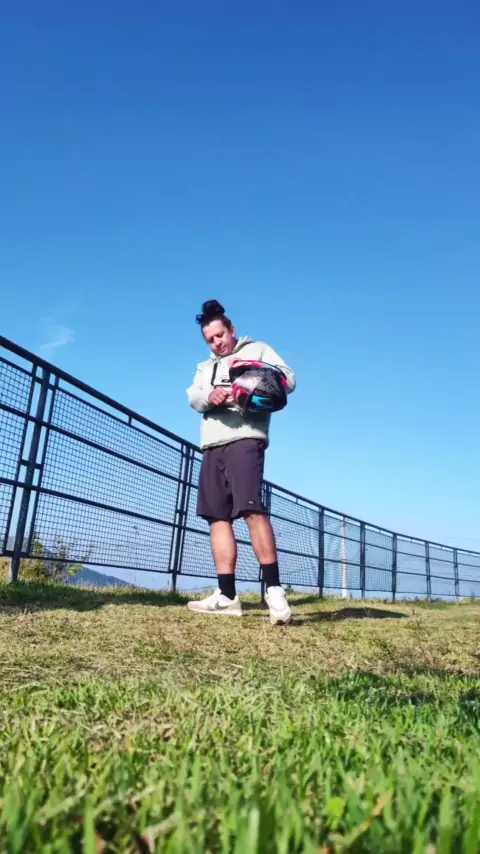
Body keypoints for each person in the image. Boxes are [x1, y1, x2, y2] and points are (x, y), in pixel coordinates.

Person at [186, 299, 296, 625]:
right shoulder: (204, 368)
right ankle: (227, 596)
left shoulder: (258, 349)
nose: (217, 342)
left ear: (231, 330)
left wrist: (246, 384)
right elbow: (194, 396)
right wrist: (211, 397)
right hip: (212, 444)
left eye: (220, 335)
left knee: (251, 509)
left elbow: (287, 380)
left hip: (246, 439)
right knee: (217, 518)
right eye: (210, 339)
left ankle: (274, 591)